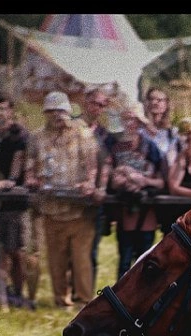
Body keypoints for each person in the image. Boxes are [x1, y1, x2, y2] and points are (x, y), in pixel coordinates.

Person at [25, 90, 101, 309]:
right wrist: (31, 178)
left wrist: (89, 182)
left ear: (68, 111)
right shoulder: (36, 136)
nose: (57, 115)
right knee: (56, 260)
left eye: (61, 110)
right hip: (50, 207)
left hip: (79, 209)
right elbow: (30, 163)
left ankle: (84, 301)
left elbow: (92, 164)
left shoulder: (82, 134)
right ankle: (61, 300)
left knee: (81, 261)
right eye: (51, 111)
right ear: (45, 113)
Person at [106, 102, 168, 278]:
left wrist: (142, 180)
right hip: (124, 208)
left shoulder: (151, 147)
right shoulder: (114, 144)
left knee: (145, 260)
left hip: (146, 208)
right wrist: (119, 179)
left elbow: (162, 181)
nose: (130, 123)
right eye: (126, 119)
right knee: (124, 260)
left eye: (134, 119)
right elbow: (108, 176)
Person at [0, 110, 35, 309]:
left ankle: (20, 293)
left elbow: (21, 163)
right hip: (3, 206)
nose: (13, 122)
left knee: (19, 253)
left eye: (16, 117)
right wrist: (1, 182)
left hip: (22, 206)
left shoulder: (28, 143)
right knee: (4, 252)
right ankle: (4, 292)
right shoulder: (0, 145)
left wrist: (12, 181)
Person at [79, 85, 118, 283]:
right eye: (95, 103)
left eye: (102, 105)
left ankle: (86, 295)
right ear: (85, 102)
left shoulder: (106, 136)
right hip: (72, 197)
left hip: (95, 199)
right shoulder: (72, 128)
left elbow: (108, 165)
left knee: (91, 249)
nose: (98, 108)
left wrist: (102, 188)